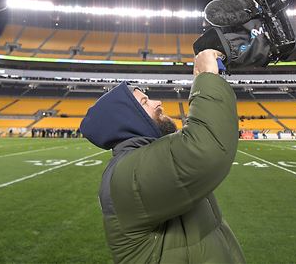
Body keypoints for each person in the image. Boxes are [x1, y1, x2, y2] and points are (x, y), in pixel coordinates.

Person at [82, 49, 245, 263]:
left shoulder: (139, 162)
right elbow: (205, 149)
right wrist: (206, 77)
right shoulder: (129, 174)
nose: (157, 103)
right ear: (126, 120)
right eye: (145, 102)